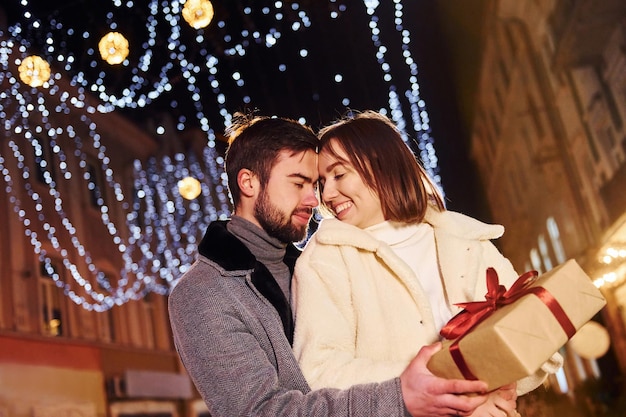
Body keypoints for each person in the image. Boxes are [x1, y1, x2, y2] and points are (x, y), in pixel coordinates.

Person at [168, 112, 492, 417]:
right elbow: (261, 411)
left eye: (315, 185)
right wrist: (399, 398)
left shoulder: (318, 264)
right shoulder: (202, 294)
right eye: (298, 183)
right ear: (249, 183)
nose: (314, 199)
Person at [292, 110, 563, 416]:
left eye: (339, 175)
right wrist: (447, 393)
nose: (327, 194)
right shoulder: (325, 259)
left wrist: (501, 386)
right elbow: (319, 372)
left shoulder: (465, 238)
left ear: (383, 165)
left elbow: (535, 338)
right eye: (322, 182)